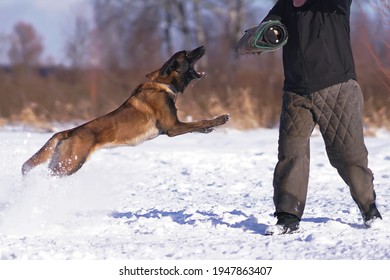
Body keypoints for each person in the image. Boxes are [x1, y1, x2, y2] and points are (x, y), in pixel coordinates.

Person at [260, 0, 382, 235]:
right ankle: (287, 216)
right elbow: (268, 27)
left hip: (337, 88)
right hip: (295, 91)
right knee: (290, 153)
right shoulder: (285, 4)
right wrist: (261, 36)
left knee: (348, 155)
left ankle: (370, 209)